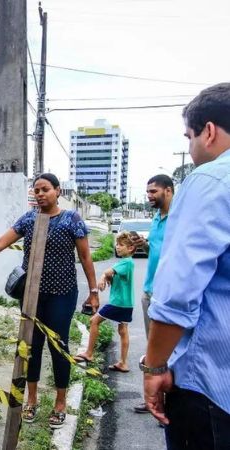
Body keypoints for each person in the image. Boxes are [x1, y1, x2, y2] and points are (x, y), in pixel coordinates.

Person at [0, 173, 99, 429]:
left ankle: (60, 402)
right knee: (31, 347)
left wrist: (93, 291)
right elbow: (0, 243)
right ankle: (32, 399)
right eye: (36, 190)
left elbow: (85, 258)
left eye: (45, 189)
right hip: (31, 295)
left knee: (59, 347)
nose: (40, 194)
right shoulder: (29, 219)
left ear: (58, 191)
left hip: (62, 294)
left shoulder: (71, 220)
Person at [142, 83, 230, 448]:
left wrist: (155, 367)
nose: (191, 149)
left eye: (189, 137)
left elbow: (179, 293)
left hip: (209, 383)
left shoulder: (209, 180)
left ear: (208, 132)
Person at [129, 174, 174, 414]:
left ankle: (170, 404)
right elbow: (156, 249)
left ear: (168, 190)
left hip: (169, 294)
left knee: (171, 351)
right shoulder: (157, 218)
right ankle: (154, 400)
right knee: (152, 349)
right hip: (149, 291)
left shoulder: (179, 218)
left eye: (153, 192)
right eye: (147, 192)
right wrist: (143, 244)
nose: (149, 197)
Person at [74, 232, 136, 372]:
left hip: (117, 303)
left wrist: (102, 277)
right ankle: (123, 363)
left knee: (94, 321)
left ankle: (89, 353)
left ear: (131, 248)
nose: (117, 247)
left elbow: (108, 271)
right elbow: (114, 275)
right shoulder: (128, 263)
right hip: (127, 303)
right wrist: (109, 278)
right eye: (117, 244)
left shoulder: (126, 262)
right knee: (123, 330)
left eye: (121, 245)